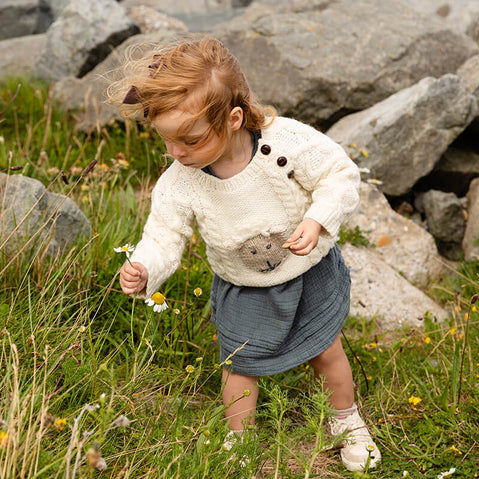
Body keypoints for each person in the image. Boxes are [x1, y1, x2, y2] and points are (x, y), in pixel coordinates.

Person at [112, 36, 381, 472]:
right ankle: (239, 442)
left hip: (307, 270)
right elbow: (164, 234)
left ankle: (345, 420)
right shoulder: (182, 181)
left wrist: (317, 219)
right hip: (246, 287)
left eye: (190, 141)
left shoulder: (285, 144)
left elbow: (338, 173)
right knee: (240, 366)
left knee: (326, 349)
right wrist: (145, 266)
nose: (177, 153)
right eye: (168, 142)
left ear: (234, 119)